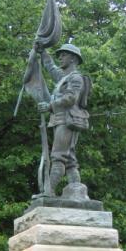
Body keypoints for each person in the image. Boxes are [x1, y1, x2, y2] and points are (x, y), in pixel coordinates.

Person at [35, 42, 91, 197]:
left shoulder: (76, 78)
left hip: (67, 120)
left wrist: (50, 106)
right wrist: (42, 52)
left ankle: (48, 191)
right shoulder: (63, 77)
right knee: (70, 160)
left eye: (64, 55)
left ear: (73, 59)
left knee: (58, 156)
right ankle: (77, 193)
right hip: (60, 119)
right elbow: (51, 68)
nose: (60, 58)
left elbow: (70, 98)